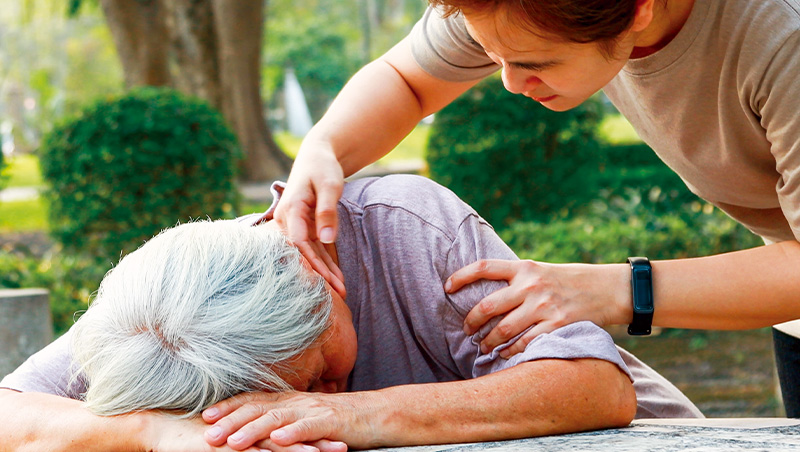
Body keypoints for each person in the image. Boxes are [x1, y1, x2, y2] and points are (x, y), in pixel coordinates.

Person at [272, 0, 800, 415]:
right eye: (493, 56)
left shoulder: (784, 41)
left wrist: (619, 289)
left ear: (640, 7)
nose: (508, 83)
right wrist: (325, 148)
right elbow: (407, 80)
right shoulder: (517, 11)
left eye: (534, 64)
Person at [0, 175, 701, 452]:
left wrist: (358, 416)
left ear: (315, 276)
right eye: (293, 395)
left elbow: (593, 384)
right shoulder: (155, 315)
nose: (321, 397)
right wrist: (150, 431)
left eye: (320, 372)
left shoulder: (406, 226)